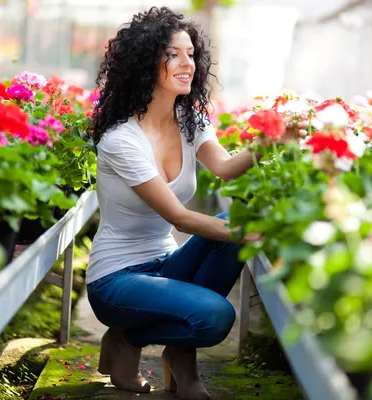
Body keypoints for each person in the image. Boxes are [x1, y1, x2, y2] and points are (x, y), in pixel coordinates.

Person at [86, 6, 273, 400]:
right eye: (173, 54)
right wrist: (250, 232)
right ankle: (128, 338)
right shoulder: (122, 140)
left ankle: (173, 355)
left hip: (166, 264)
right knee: (215, 317)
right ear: (145, 62)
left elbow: (223, 168)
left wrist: (271, 142)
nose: (187, 63)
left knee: (230, 220)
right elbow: (179, 217)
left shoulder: (190, 120)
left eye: (191, 53)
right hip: (117, 280)